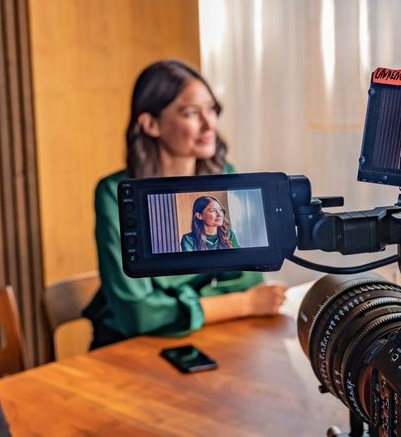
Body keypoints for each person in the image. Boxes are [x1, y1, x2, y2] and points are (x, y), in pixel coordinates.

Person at [83, 59, 286, 349]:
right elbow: (138, 314)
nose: (209, 124)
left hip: (208, 336)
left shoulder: (225, 175)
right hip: (127, 349)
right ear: (151, 124)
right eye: (191, 113)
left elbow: (246, 278)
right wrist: (242, 304)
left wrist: (185, 308)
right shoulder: (114, 193)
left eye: (212, 110)